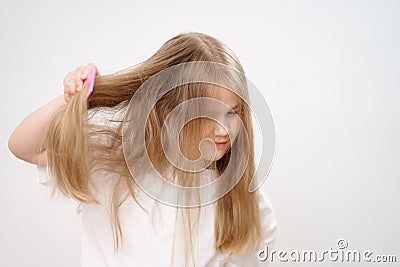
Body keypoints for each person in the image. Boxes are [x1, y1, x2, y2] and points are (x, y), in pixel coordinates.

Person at [8, 32, 277, 267]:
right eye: (207, 113)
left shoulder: (237, 192)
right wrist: (73, 99)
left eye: (232, 113)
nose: (223, 130)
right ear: (170, 107)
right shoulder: (113, 159)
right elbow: (23, 145)